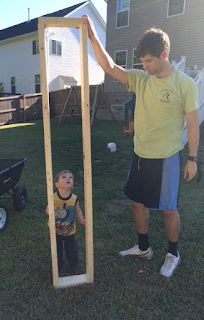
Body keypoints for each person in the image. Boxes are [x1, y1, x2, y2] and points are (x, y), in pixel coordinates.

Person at [84, 15, 199, 278]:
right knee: (137, 203)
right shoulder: (141, 78)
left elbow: (192, 125)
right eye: (142, 62)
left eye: (149, 61)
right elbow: (111, 67)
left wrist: (192, 158)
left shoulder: (185, 84)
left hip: (167, 158)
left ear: (164, 54)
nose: (144, 66)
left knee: (168, 210)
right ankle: (144, 247)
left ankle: (173, 253)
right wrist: (92, 37)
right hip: (140, 156)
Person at [45, 170, 85, 275]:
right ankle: (57, 264)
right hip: (55, 230)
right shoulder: (53, 197)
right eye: (64, 177)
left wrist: (81, 218)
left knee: (71, 250)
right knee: (56, 250)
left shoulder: (74, 198)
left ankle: (72, 264)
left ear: (72, 185)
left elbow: (78, 210)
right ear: (57, 184)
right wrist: (50, 210)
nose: (68, 179)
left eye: (71, 178)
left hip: (69, 230)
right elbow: (47, 210)